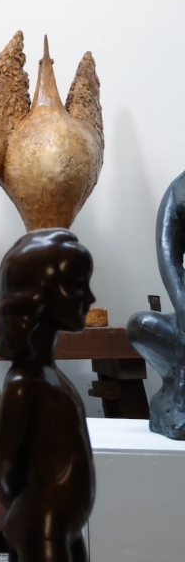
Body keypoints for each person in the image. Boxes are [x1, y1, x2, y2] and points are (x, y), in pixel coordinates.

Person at [0, 229, 96, 562]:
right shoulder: (24, 383)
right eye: (77, 285)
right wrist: (20, 503)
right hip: (43, 525)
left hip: (62, 523)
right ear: (39, 295)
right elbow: (6, 464)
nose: (90, 297)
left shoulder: (50, 376)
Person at [127, 169, 185, 438]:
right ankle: (179, 399)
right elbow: (168, 256)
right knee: (141, 326)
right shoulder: (178, 190)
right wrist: (182, 307)